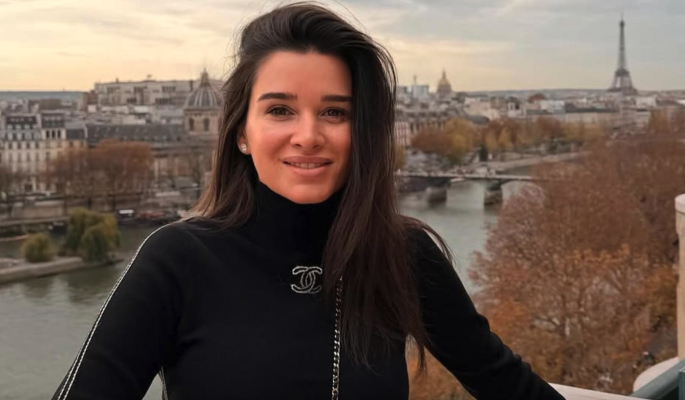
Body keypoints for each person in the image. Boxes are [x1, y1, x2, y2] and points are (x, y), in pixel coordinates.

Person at [52, 3, 565, 399]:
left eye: (335, 113)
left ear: (362, 132)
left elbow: (506, 384)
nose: (308, 136)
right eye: (280, 110)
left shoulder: (403, 255)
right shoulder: (177, 259)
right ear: (241, 133)